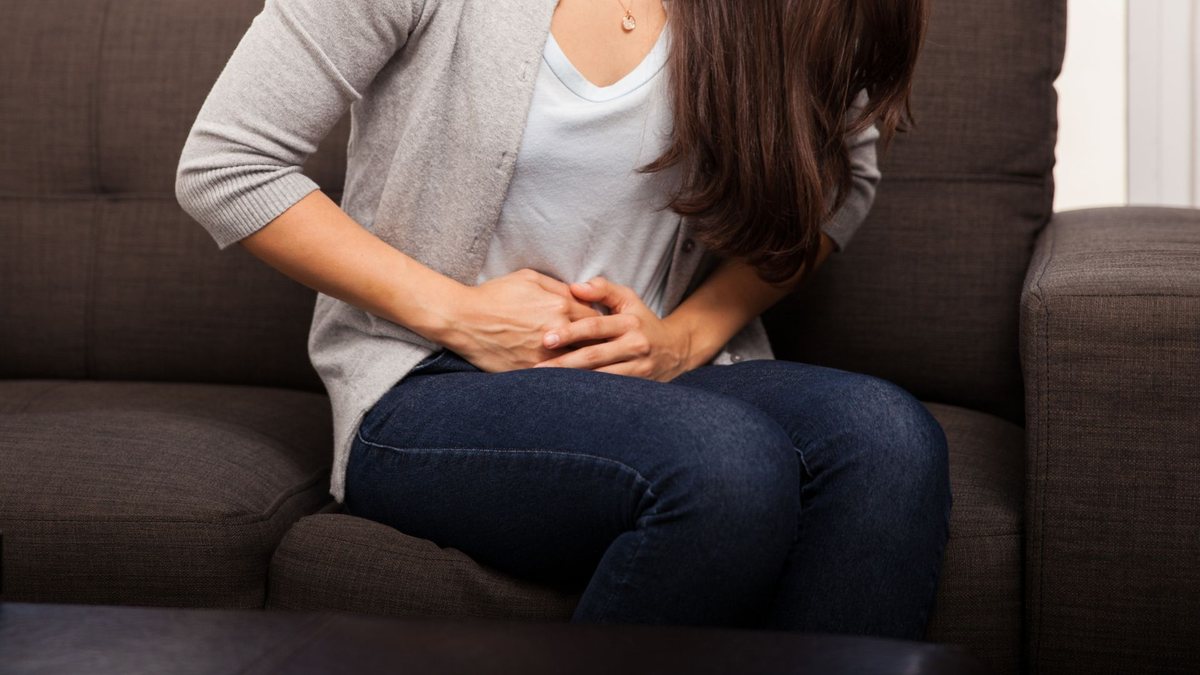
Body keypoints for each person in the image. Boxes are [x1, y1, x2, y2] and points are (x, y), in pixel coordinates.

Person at [176, 0, 948, 639]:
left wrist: (686, 334)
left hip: (661, 385)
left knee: (887, 438)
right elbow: (226, 164)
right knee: (725, 466)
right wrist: (463, 315)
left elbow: (845, 181)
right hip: (431, 380)